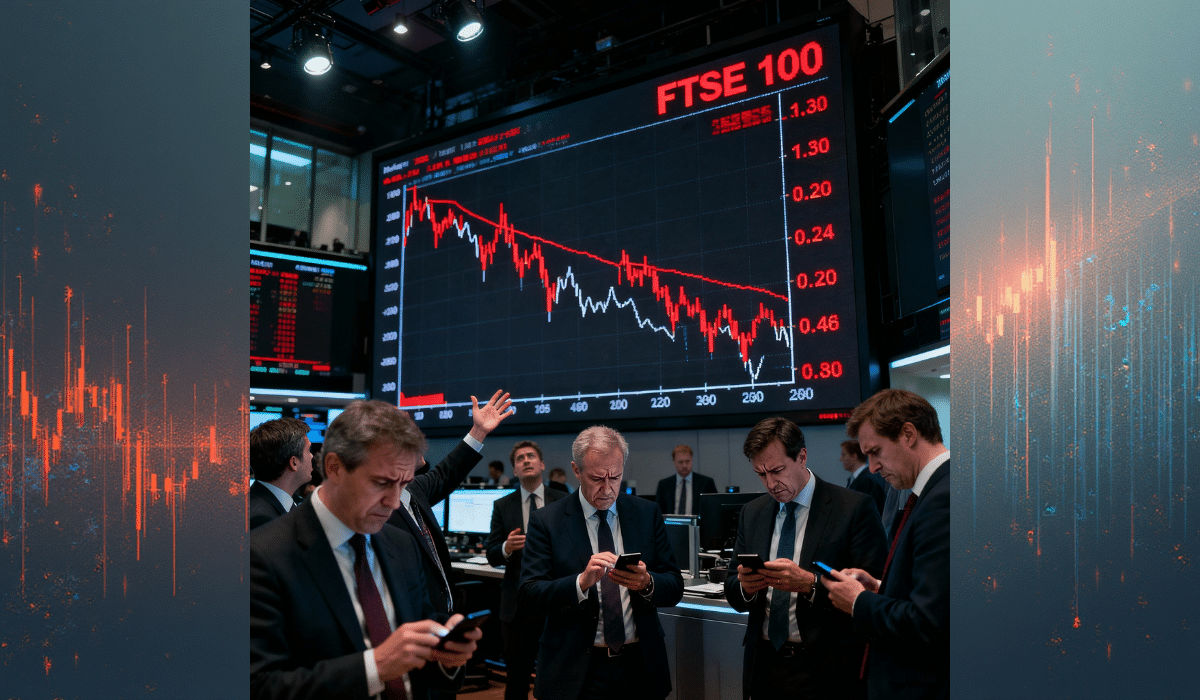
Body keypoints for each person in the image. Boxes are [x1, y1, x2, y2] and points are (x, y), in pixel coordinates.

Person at [250, 400, 481, 700]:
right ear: (334, 468)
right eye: (382, 483)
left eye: (404, 484)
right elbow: (258, 687)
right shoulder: (263, 556)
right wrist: (375, 667)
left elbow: (415, 648)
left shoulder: (402, 544)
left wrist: (445, 656)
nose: (395, 502)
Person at [723, 417, 886, 699]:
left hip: (826, 670)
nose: (771, 484)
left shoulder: (853, 508)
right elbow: (731, 587)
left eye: (777, 470)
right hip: (764, 667)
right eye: (761, 474)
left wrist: (810, 584)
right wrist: (745, 588)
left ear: (802, 456)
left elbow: (873, 596)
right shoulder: (753, 512)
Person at [519, 426, 684, 700]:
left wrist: (647, 582)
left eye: (615, 477)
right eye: (597, 478)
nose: (608, 489)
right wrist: (580, 583)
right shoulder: (547, 521)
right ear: (576, 470)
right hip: (576, 669)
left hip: (638, 665)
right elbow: (528, 595)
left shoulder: (646, 513)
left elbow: (674, 585)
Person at [822, 389, 950, 700]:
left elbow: (928, 622)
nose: (875, 467)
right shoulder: (935, 491)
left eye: (876, 451)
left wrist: (858, 602)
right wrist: (881, 587)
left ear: (908, 434)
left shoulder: (942, 500)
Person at [385, 390, 514, 617]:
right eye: (413, 434)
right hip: (415, 622)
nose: (421, 439)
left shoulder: (415, 489)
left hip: (441, 614)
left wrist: (479, 431)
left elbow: (448, 471)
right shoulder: (380, 510)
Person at [485, 440, 567, 700]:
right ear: (516, 470)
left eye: (531, 456)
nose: (526, 461)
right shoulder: (502, 506)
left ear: (542, 465)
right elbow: (491, 554)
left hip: (556, 604)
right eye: (520, 459)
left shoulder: (563, 501)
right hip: (517, 608)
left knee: (558, 680)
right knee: (517, 682)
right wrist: (506, 548)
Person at [249, 417, 313, 529]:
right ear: (294, 462)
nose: (312, 456)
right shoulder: (261, 520)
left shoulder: (293, 502)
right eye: (308, 450)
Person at [654, 444, 717, 515]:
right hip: (671, 524)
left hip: (698, 525)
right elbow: (658, 512)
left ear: (692, 460)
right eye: (680, 462)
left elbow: (714, 509)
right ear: (674, 462)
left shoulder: (706, 483)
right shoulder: (664, 485)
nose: (684, 466)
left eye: (687, 461)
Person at [840, 440, 888, 517]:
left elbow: (869, 512)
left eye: (843, 455)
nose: (840, 459)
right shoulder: (858, 478)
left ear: (854, 457)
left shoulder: (868, 480)